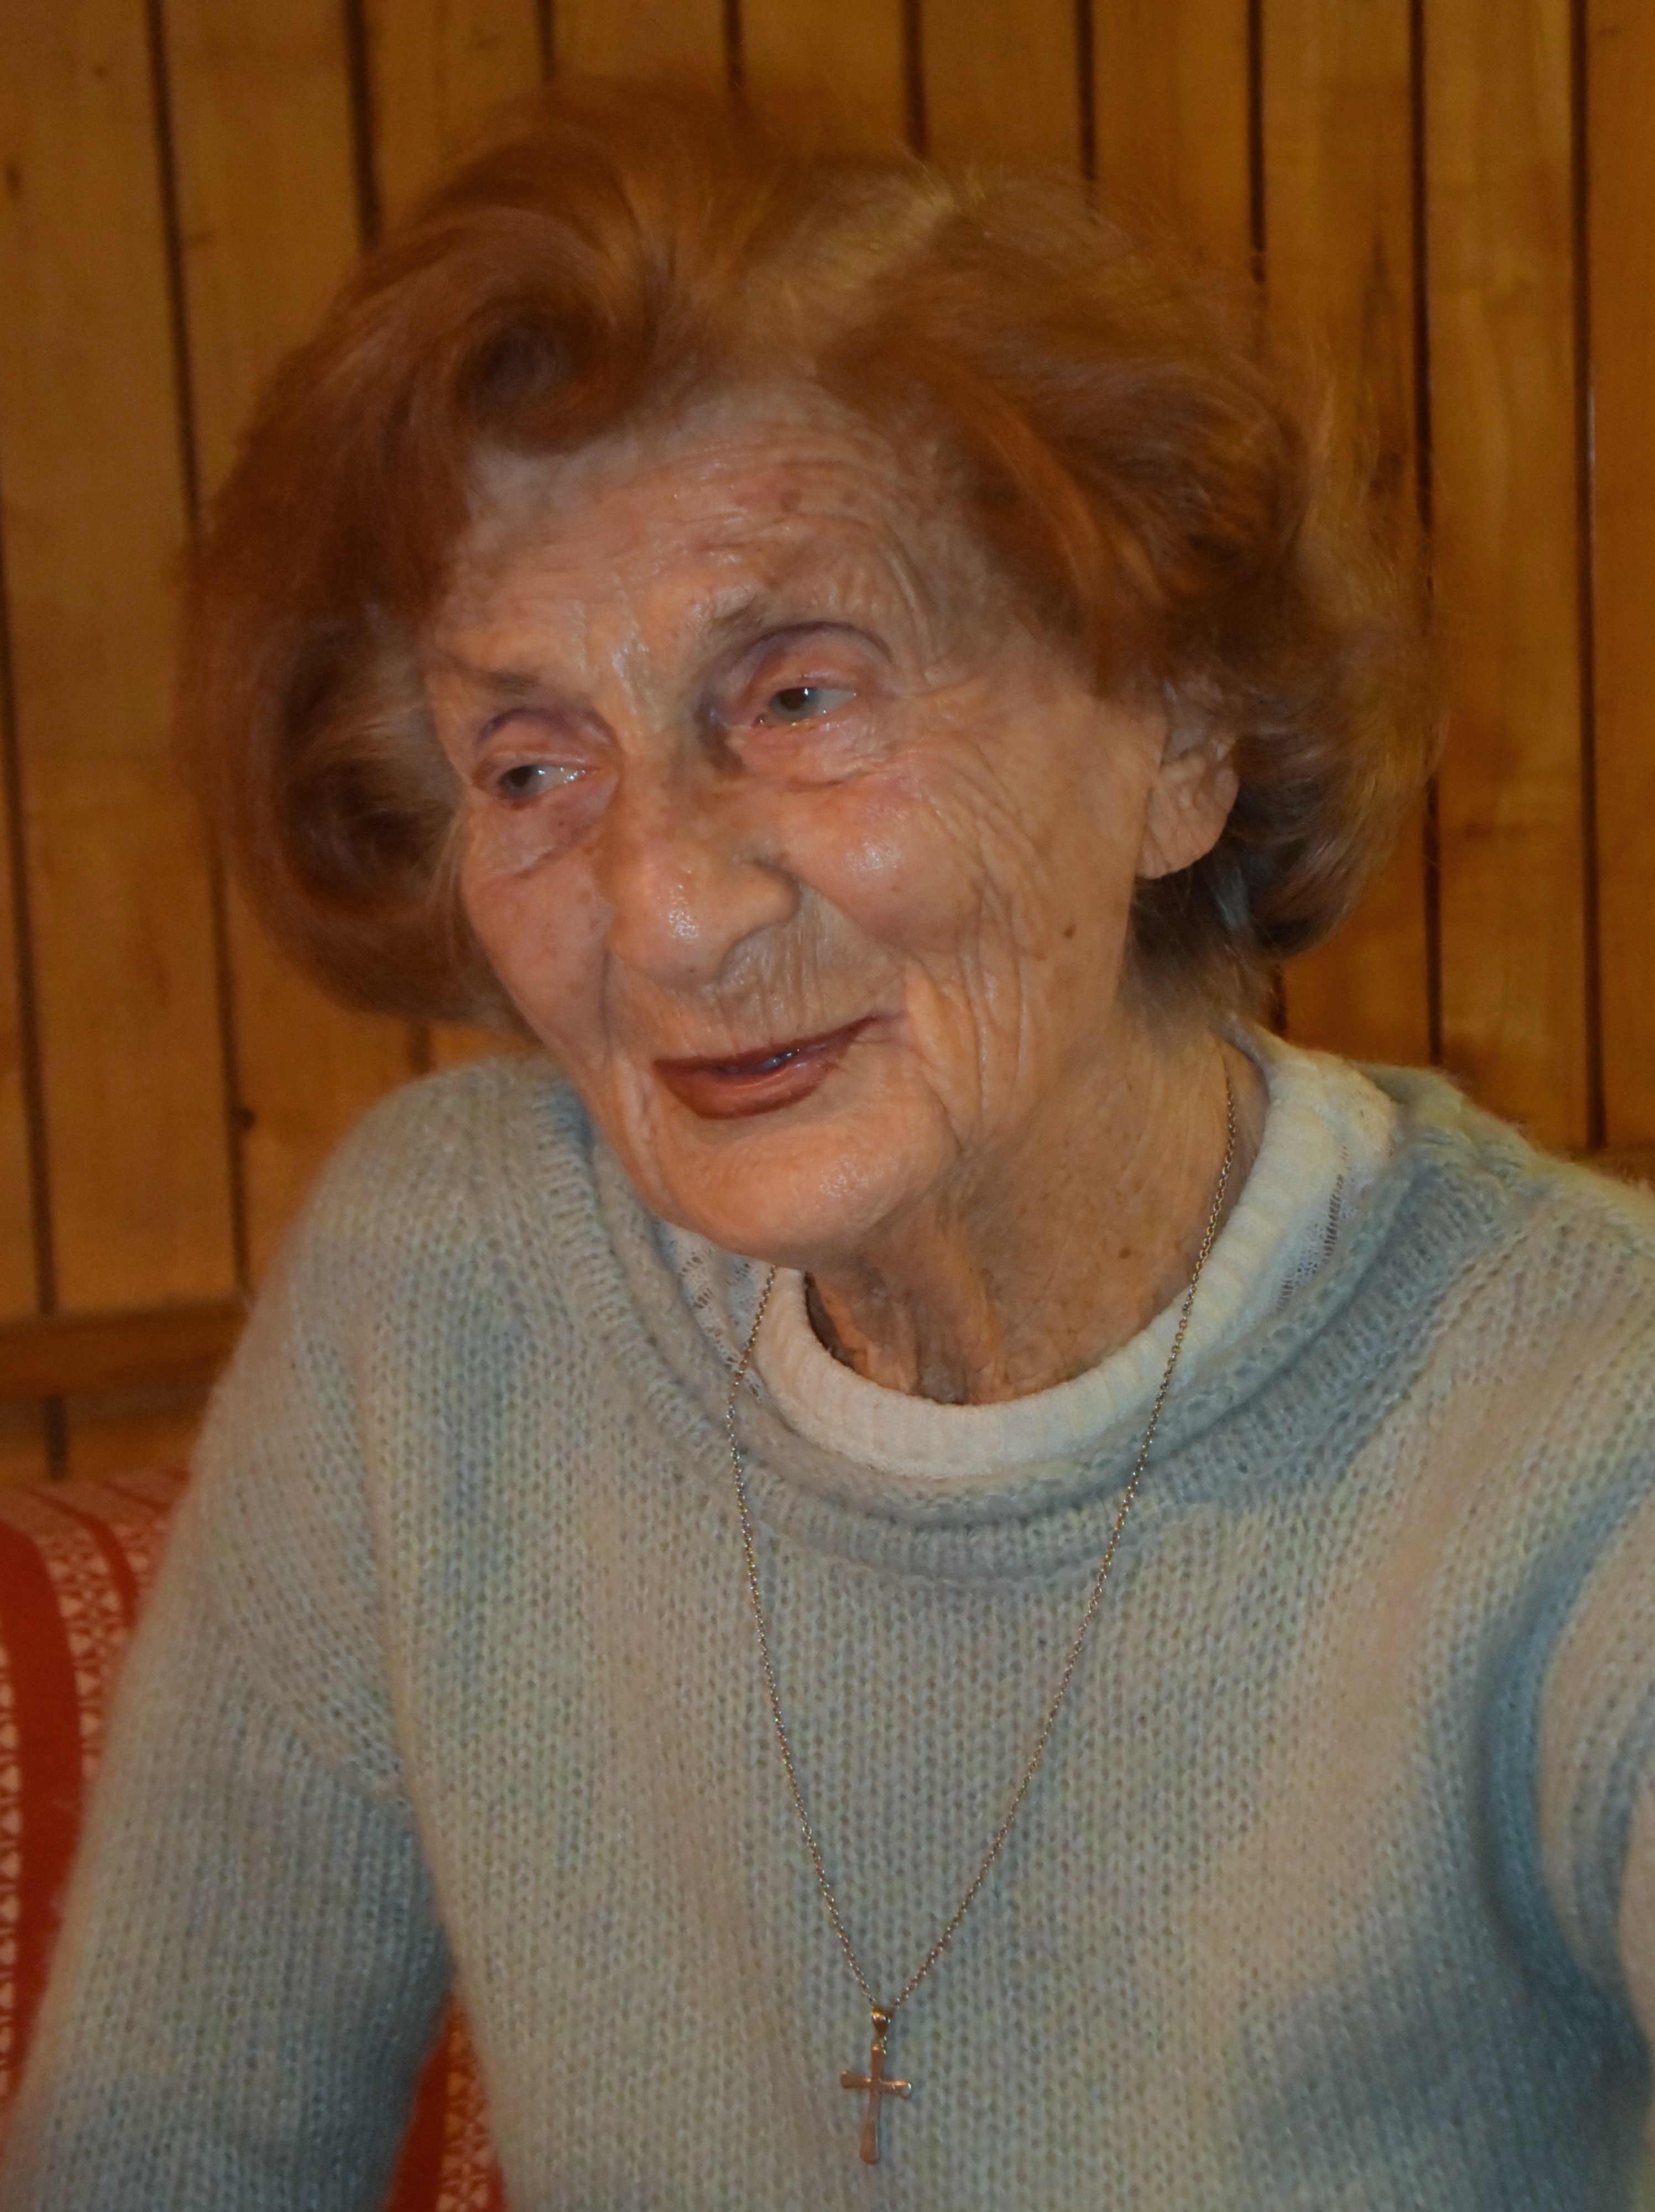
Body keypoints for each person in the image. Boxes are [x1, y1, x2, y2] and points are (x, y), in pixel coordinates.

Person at [3, 81, 1652, 2211]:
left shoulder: (1584, 1427)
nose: (664, 910)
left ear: (1180, 739)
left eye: (796, 696)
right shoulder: (450, 1285)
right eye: (530, 764)